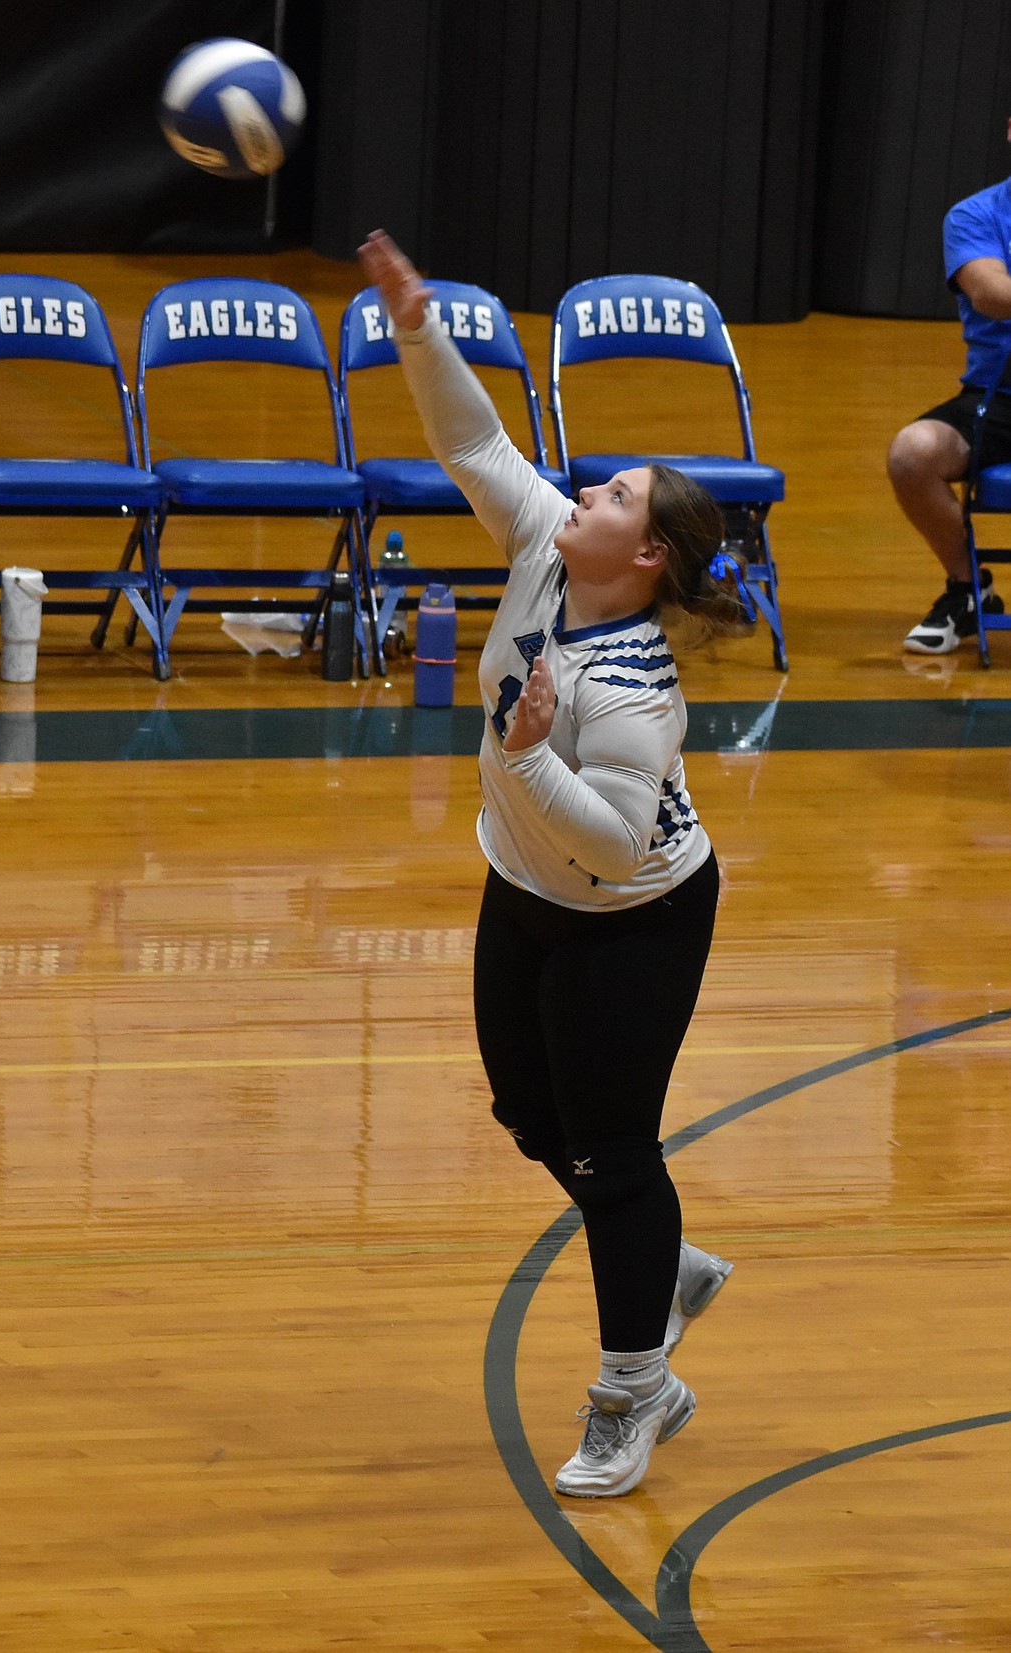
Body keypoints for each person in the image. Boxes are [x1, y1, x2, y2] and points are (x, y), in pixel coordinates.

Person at [358, 230, 744, 1498]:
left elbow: (618, 838)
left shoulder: (635, 687)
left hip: (633, 917)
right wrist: (421, 328)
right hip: (522, 890)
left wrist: (527, 760)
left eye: (619, 498)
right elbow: (472, 444)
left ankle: (637, 1388)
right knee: (533, 1116)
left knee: (613, 1157)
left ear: (647, 562)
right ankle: (663, 1260)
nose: (588, 491)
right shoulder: (542, 542)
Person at [889, 119, 1011, 654]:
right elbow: (990, 293)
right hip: (999, 397)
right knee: (912, 453)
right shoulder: (975, 215)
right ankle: (967, 589)